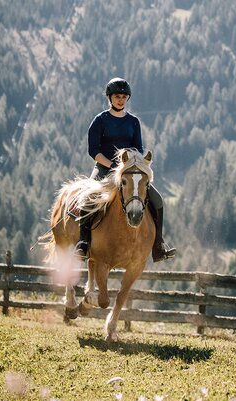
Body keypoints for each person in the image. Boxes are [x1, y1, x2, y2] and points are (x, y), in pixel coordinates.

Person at [75, 77, 176, 263]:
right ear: (109, 97)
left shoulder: (133, 122)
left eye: (123, 96)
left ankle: (158, 245)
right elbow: (93, 150)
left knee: (158, 200)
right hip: (104, 168)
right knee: (87, 198)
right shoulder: (100, 120)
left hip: (129, 171)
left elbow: (137, 147)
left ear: (127, 98)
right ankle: (83, 242)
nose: (120, 100)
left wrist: (135, 164)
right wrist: (113, 166)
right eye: (117, 96)